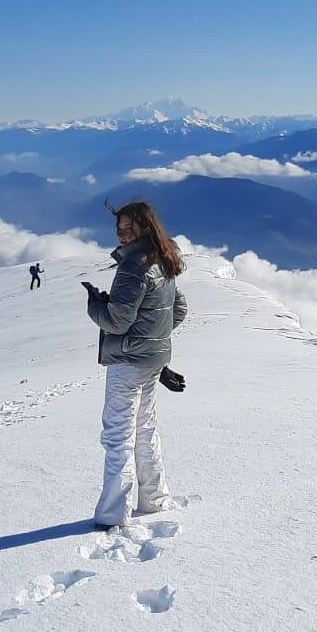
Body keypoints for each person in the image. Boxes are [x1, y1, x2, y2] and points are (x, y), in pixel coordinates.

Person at [84, 201, 187, 529]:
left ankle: (113, 513)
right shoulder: (164, 259)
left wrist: (95, 305)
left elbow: (117, 321)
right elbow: (178, 310)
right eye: (119, 228)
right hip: (152, 361)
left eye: (129, 227)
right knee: (145, 429)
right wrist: (152, 340)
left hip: (127, 363)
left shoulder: (134, 266)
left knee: (118, 435)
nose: (122, 234)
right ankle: (154, 499)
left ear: (146, 227)